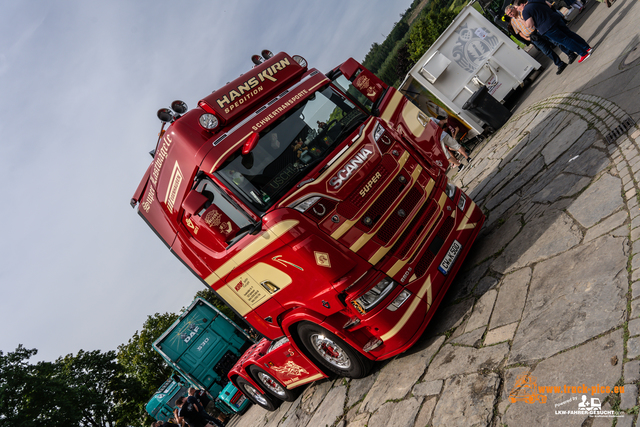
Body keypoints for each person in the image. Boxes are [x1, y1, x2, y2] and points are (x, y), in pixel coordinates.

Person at [506, 5, 577, 74]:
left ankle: (570, 54)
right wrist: (528, 39)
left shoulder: (523, 12)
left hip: (539, 31)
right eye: (508, 14)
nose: (510, 14)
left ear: (514, 8)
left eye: (511, 11)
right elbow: (519, 32)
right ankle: (560, 64)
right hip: (533, 37)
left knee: (556, 42)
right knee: (546, 51)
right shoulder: (513, 21)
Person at [515, 0, 593, 63]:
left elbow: (529, 25)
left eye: (517, 7)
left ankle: (583, 53)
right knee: (570, 34)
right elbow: (549, 5)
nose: (517, 9)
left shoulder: (525, 11)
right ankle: (587, 47)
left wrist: (521, 20)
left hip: (547, 27)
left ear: (521, 4)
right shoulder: (535, 0)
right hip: (555, 18)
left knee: (565, 40)